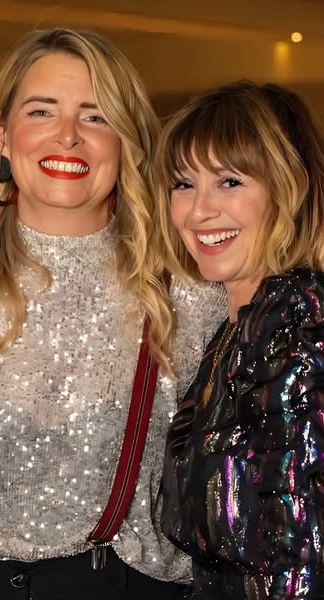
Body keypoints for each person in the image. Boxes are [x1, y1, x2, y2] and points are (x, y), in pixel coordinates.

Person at [0, 28, 225, 600]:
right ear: (3, 136)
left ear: (126, 142)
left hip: (127, 584)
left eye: (95, 116)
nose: (68, 135)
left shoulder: (190, 294)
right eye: (42, 111)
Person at [157, 81, 324, 598]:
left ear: (289, 188)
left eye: (230, 181)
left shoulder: (296, 323)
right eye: (183, 184)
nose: (199, 212)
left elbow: (302, 559)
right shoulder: (235, 329)